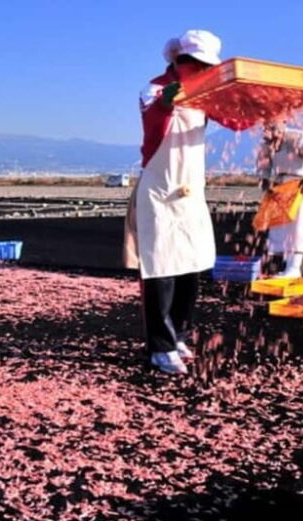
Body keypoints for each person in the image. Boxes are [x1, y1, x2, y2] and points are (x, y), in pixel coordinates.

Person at [127, 30, 226, 375]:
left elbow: (234, 118)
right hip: (160, 191)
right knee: (161, 270)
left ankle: (179, 333)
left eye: (205, 67)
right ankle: (160, 346)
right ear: (178, 61)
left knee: (191, 267)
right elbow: (154, 118)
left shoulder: (205, 95)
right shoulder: (153, 89)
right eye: (195, 64)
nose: (200, 71)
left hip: (191, 192)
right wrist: (171, 99)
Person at [257, 121, 303, 278]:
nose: (269, 131)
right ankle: (288, 267)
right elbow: (264, 166)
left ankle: (294, 268)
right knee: (281, 226)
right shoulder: (266, 143)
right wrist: (265, 181)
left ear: (282, 124)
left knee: (299, 225)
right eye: (266, 127)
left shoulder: (298, 137)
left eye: (273, 127)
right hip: (280, 186)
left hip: (300, 184)